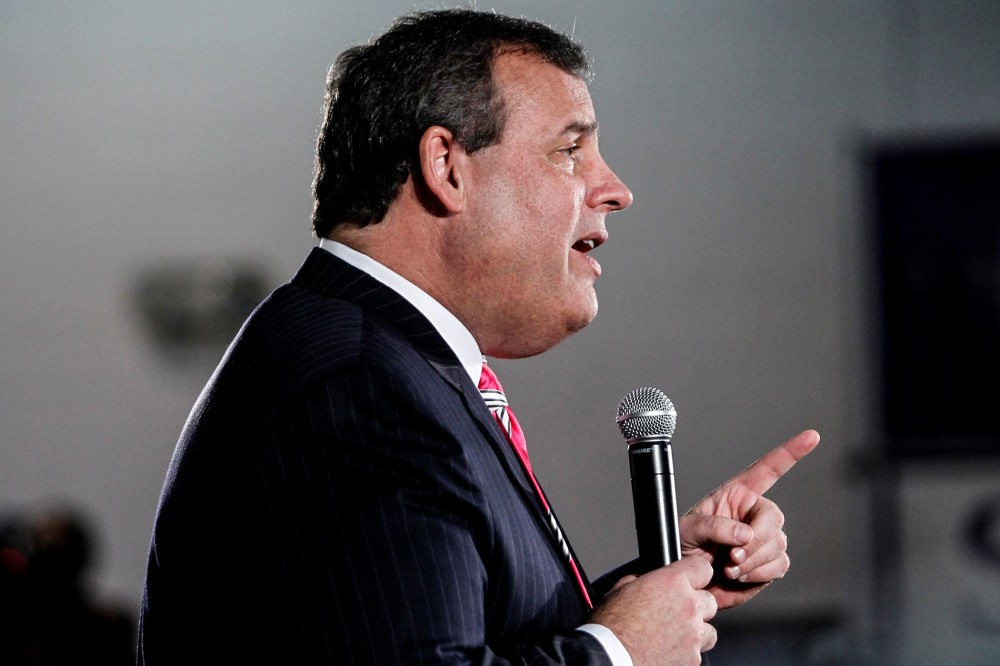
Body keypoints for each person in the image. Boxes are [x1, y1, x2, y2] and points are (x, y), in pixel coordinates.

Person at [137, 8, 819, 665]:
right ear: (448, 167)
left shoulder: (381, 362)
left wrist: (663, 588)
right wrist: (619, 652)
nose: (615, 189)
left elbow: (435, 631)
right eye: (571, 150)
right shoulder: (354, 390)